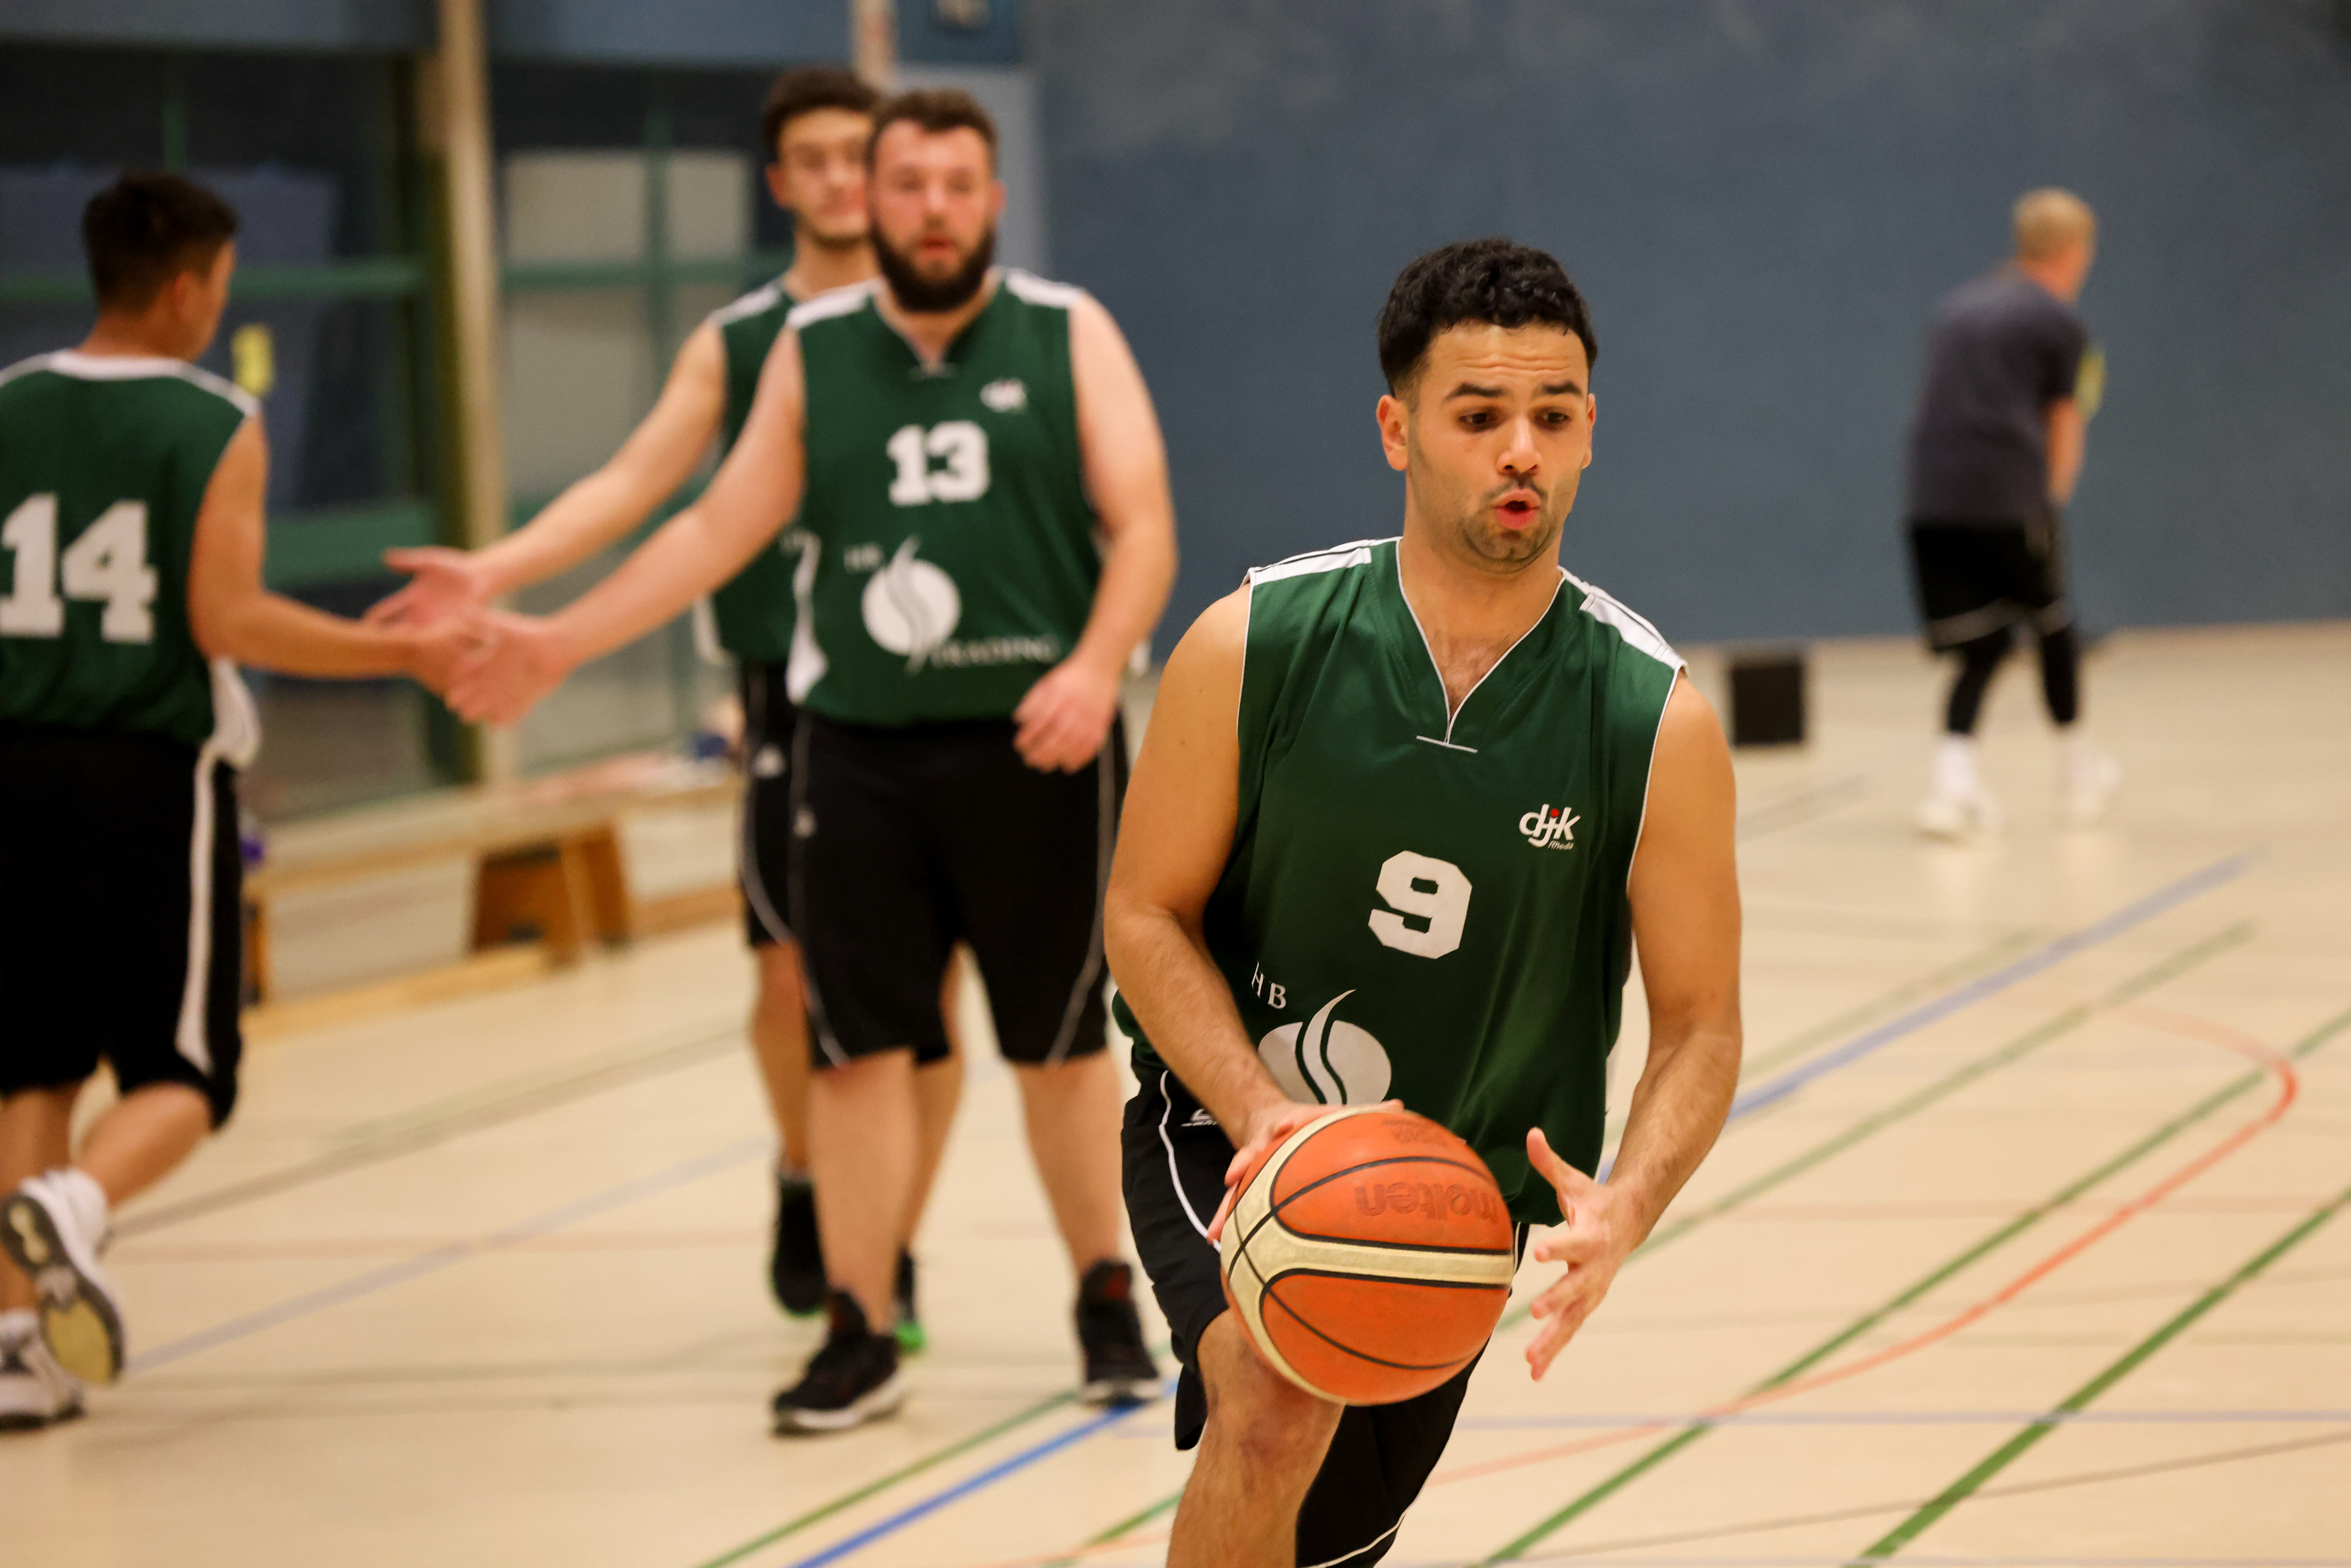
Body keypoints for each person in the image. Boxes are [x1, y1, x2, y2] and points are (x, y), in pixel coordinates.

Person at [442, 88, 1176, 1432]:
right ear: (868, 202)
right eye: (907, 185)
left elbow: (1142, 525)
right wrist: (556, 641)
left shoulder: (1067, 330)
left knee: (1062, 1047)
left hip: (1036, 743)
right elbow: (710, 531)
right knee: (853, 1054)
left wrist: (1092, 667)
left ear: (991, 200)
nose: (932, 209)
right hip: (861, 757)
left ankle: (1103, 1299)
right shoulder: (808, 351)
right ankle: (857, 1322)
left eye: (956, 185)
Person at [1103, 238, 1743, 1567]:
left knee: (1326, 1540)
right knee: (1273, 1407)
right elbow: (1143, 915)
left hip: (1450, 1197)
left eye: (1551, 417)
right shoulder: (1253, 643)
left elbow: (1697, 1023)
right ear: (1397, 431)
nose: (1520, 451)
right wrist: (1258, 1110)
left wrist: (1625, 1202)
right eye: (1477, 415)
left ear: (1589, 432)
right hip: (1227, 1126)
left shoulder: (1652, 719)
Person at [367, 67, 957, 1345]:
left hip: (939, 697)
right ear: (779, 182)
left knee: (924, 1004)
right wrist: (498, 571)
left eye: (857, 155)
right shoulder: (741, 343)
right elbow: (634, 484)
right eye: (813, 158)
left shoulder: (959, 325)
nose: (839, 179)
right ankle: (805, 1175)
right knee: (788, 978)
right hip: (791, 696)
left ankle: (888, 1251)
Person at [0, 173, 467, 1427]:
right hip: (146, 771)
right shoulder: (213, 420)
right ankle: (76, 1204)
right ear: (185, 288)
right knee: (186, 1073)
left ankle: (15, 1345)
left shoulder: (9, 402)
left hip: (15, 767)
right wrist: (403, 653)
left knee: (31, 1066)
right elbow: (228, 620)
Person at [1905, 187, 2119, 838]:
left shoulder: (1955, 310)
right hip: (2007, 500)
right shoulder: (2059, 322)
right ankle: (2077, 769)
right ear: (2074, 250)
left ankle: (1951, 786)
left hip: (1932, 501)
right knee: (2053, 625)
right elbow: (2065, 419)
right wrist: (2049, 500)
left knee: (1982, 644)